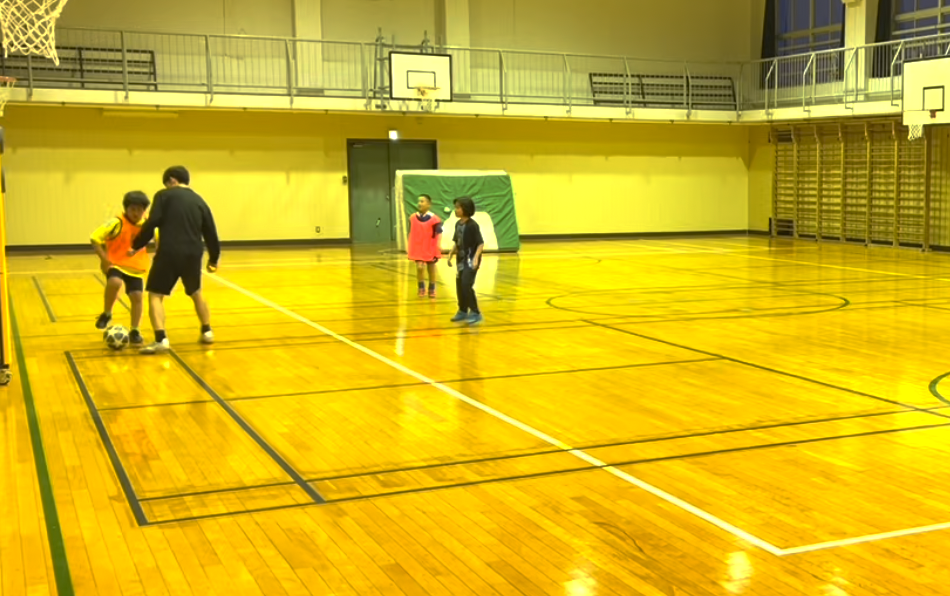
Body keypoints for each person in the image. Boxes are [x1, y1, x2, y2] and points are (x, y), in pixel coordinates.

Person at [129, 166, 220, 354]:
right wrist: (213, 258)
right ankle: (207, 331)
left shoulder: (163, 196)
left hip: (169, 252)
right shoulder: (199, 200)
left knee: (155, 294)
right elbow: (210, 231)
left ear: (172, 180)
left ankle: (161, 339)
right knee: (196, 291)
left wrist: (137, 245)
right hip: (193, 253)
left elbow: (152, 222)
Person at [90, 191, 152, 345]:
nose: (136, 213)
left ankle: (135, 330)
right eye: (133, 209)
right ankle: (107, 313)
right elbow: (95, 238)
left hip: (136, 266)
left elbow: (160, 238)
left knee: (137, 296)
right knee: (114, 282)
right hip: (115, 262)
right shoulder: (116, 223)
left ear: (144, 211)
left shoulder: (148, 225)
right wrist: (104, 259)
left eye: (139, 210)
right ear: (126, 209)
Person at [447, 196, 484, 325]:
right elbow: (457, 242)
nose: (455, 210)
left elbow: (480, 243)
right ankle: (462, 310)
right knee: (459, 285)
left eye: (458, 207)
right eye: (455, 207)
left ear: (466, 209)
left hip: (471, 260)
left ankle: (475, 312)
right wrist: (451, 254)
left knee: (466, 284)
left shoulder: (473, 225)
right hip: (461, 260)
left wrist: (476, 258)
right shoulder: (458, 224)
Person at [407, 194, 442, 298]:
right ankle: (421, 287)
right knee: (419, 268)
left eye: (422, 201)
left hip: (430, 247)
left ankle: (432, 288)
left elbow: (439, 233)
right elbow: (411, 232)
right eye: (418, 201)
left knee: (431, 269)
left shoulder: (434, 219)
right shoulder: (413, 217)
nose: (419, 203)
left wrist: (438, 245)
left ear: (429, 204)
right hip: (418, 247)